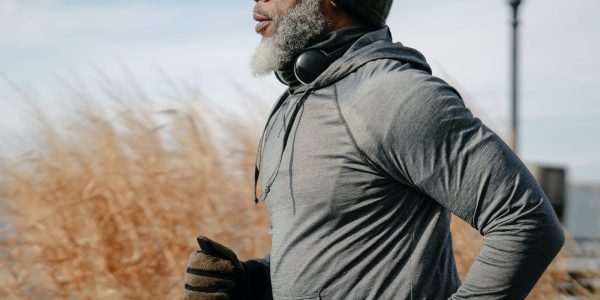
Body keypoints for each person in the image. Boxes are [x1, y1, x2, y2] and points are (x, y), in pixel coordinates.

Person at [184, 0, 565, 299]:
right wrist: (250, 281)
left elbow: (527, 222)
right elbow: (331, 254)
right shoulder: (297, 102)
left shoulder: (397, 95)